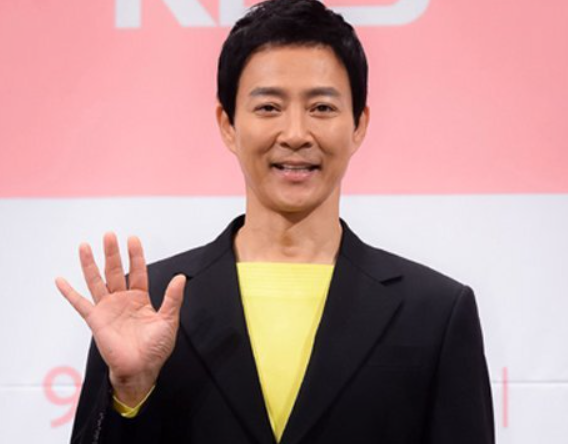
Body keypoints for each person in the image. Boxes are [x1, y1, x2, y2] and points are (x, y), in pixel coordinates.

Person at [56, 0, 495, 443]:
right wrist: (129, 393)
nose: (296, 134)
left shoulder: (435, 312)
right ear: (227, 124)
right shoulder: (148, 305)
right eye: (269, 107)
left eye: (322, 107)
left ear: (359, 125)